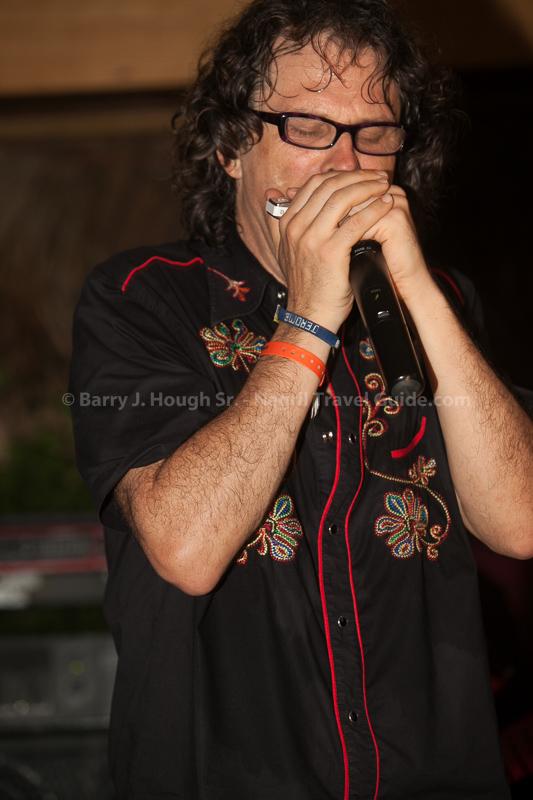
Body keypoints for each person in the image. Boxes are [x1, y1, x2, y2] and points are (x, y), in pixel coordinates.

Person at [69, 0, 533, 797]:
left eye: (374, 132)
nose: (344, 162)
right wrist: (308, 318)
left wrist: (417, 289)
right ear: (230, 146)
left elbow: (519, 523)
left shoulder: (442, 303)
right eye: (308, 127)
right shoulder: (142, 296)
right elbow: (186, 548)